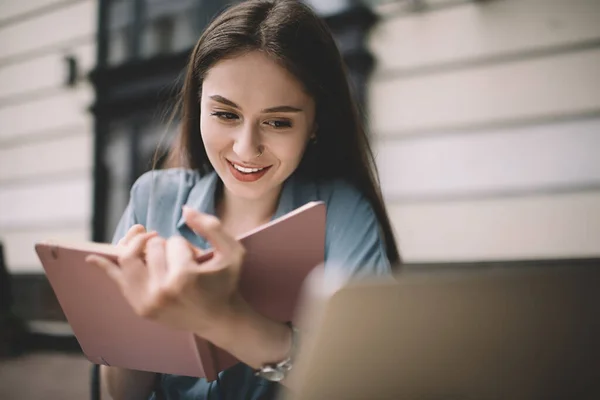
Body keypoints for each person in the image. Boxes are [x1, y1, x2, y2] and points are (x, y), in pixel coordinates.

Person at [86, 0, 401, 399]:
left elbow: (366, 383)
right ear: (198, 104)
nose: (246, 148)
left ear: (315, 123)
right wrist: (136, 323)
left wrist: (224, 319)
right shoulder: (152, 198)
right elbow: (120, 394)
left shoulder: (339, 210)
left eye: (278, 122)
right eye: (226, 115)